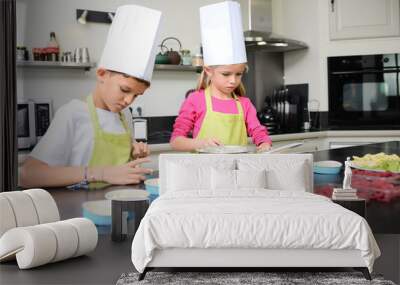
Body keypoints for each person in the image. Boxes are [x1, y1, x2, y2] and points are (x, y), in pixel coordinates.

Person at [19, 5, 162, 189]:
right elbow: (29, 175)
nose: (128, 101)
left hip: (117, 207)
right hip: (79, 211)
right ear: (102, 74)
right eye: (125, 90)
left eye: (136, 95)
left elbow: (118, 169)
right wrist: (101, 173)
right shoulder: (73, 113)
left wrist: (134, 153)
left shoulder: (123, 116)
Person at [170, 1, 272, 152]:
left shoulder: (244, 104)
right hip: (203, 172)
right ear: (209, 71)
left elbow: (258, 131)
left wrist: (264, 144)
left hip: (237, 172)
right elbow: (176, 141)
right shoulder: (195, 100)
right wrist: (200, 143)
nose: (233, 80)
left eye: (239, 74)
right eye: (226, 74)